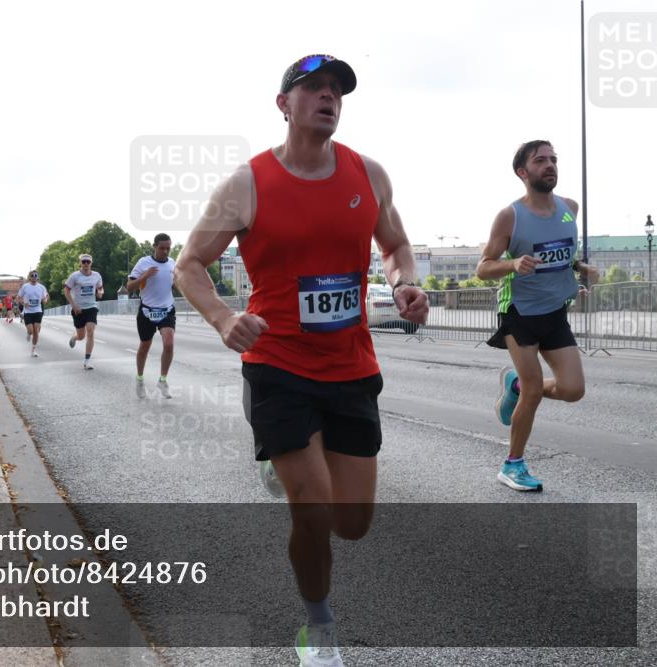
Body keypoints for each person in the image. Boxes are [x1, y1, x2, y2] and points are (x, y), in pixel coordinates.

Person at [176, 54, 428, 667]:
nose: (328, 97)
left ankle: (281, 466)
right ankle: (318, 625)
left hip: (351, 365)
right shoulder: (247, 184)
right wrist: (225, 318)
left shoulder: (369, 175)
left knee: (353, 523)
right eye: (313, 87)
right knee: (311, 508)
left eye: (336, 89)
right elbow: (190, 265)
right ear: (283, 104)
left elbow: (396, 244)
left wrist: (404, 283)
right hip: (278, 363)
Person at [477, 140, 599, 493]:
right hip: (520, 312)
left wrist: (580, 268)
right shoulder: (510, 216)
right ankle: (512, 465)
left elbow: (561, 254)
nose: (550, 165)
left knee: (573, 389)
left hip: (555, 311)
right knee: (533, 391)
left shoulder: (570, 208)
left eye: (553, 159)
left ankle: (514, 385)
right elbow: (483, 268)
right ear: (522, 172)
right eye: (540, 160)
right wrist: (513, 263)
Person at [127, 233, 177, 398]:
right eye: (162, 248)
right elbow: (129, 287)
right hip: (147, 310)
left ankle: (163, 381)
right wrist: (144, 276)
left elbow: (175, 284)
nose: (165, 251)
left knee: (169, 343)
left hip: (167, 309)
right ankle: (140, 380)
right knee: (145, 346)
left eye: (168, 248)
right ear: (154, 247)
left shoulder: (172, 263)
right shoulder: (143, 263)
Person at [64, 254, 104, 370]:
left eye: (88, 262)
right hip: (78, 309)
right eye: (84, 262)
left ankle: (87, 361)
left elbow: (100, 287)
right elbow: (66, 291)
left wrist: (100, 292)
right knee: (81, 336)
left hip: (91, 307)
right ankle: (74, 337)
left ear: (91, 263)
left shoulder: (97, 275)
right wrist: (73, 305)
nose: (86, 264)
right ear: (80, 263)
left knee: (90, 331)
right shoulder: (74, 276)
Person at [18, 270, 49, 357]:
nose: (34, 277)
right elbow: (19, 297)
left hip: (38, 311)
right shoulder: (25, 287)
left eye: (35, 275)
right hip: (28, 311)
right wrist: (24, 303)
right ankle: (28, 333)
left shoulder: (41, 287)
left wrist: (45, 300)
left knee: (36, 331)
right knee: (31, 331)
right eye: (32, 275)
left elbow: (45, 297)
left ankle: (33, 350)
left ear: (37, 277)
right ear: (30, 277)